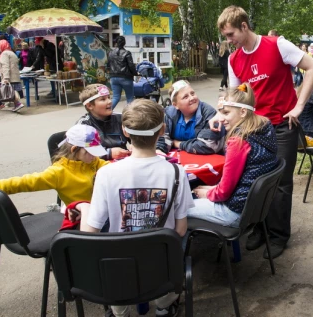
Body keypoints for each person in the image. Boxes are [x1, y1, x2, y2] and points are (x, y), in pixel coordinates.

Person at [216, 5, 313, 259]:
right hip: (253, 128)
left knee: (280, 183)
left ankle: (278, 235)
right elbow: (236, 96)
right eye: (225, 37)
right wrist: (222, 112)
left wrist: (299, 105)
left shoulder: (277, 45)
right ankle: (259, 230)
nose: (228, 41)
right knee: (252, 181)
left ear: (244, 26)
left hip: (283, 125)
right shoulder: (234, 59)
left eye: (230, 35)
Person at [77, 100, 195, 317]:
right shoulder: (176, 173)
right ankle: (164, 307)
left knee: (111, 268)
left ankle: (120, 312)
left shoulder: (106, 174)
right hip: (161, 264)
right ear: (162, 129)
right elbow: (179, 230)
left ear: (125, 131)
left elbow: (90, 234)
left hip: (118, 266)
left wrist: (85, 208)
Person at [189, 83, 278, 226]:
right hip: (251, 207)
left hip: (234, 210)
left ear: (243, 112)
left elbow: (224, 192)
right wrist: (213, 189)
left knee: (177, 208)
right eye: (219, 112)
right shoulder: (263, 127)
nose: (220, 118)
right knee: (199, 191)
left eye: (226, 113)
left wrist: (209, 194)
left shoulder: (238, 141)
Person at [0, 124, 109, 206]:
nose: (94, 155)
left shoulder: (92, 161)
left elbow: (108, 166)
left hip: (101, 208)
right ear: (74, 149)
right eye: (90, 152)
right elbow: (26, 182)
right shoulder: (58, 173)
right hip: (81, 218)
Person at [157, 80, 224, 155]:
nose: (192, 98)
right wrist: (160, 149)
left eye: (192, 93)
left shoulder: (209, 113)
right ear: (175, 105)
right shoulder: (169, 114)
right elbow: (163, 138)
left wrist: (177, 143)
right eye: (185, 97)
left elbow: (207, 145)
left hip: (208, 162)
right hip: (181, 160)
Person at [77, 84, 131, 160]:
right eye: (103, 99)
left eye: (109, 97)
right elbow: (80, 153)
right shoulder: (83, 125)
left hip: (123, 163)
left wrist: (136, 147)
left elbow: (139, 140)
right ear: (89, 106)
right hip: (96, 166)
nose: (109, 101)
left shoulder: (121, 118)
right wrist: (108, 153)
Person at [108, 35, 137, 110]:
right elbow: (131, 65)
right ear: (124, 43)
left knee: (116, 97)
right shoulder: (127, 53)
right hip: (125, 78)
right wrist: (135, 73)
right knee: (130, 98)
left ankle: (107, 112)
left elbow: (108, 65)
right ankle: (130, 115)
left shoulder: (110, 53)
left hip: (113, 77)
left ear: (116, 43)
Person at [0, 39, 24, 112]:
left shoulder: (4, 54)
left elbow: (5, 66)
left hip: (10, 77)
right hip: (15, 76)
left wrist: (6, 77)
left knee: (11, 92)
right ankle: (16, 105)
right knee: (13, 91)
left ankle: (18, 104)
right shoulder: (12, 53)